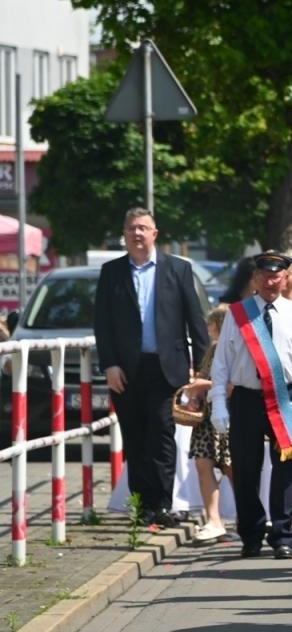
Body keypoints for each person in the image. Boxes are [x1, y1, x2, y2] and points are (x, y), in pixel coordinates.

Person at [92, 207, 210, 528]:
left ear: (155, 234)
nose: (138, 234)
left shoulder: (178, 270)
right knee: (135, 436)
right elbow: (102, 325)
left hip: (166, 368)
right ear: (125, 234)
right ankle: (141, 504)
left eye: (144, 228)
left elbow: (195, 323)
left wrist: (201, 372)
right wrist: (110, 364)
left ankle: (162, 504)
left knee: (162, 434)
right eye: (132, 228)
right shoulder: (112, 272)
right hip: (126, 371)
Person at [208, 250, 292, 559]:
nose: (271, 281)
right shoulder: (237, 314)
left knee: (285, 468)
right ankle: (251, 535)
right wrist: (218, 403)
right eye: (265, 276)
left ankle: (283, 536)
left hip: (286, 397)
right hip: (247, 399)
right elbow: (222, 363)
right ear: (255, 278)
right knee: (246, 469)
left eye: (276, 275)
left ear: (286, 278)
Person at [177, 306, 233, 542]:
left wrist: (201, 386)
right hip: (206, 421)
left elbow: (232, 384)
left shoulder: (232, 349)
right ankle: (214, 520)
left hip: (227, 416)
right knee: (203, 465)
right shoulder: (212, 350)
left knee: (232, 469)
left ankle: (250, 517)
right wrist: (196, 397)